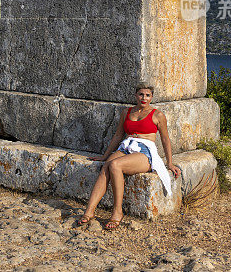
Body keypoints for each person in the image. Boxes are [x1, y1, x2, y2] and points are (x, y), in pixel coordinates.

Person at [77, 84, 181, 231]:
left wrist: (170, 163)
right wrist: (105, 156)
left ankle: (117, 211)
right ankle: (89, 211)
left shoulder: (158, 115)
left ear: (151, 97)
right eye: (141, 94)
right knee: (107, 165)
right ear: (135, 95)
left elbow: (165, 139)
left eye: (147, 95)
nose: (144, 98)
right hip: (126, 147)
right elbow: (119, 135)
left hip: (145, 152)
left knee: (115, 165)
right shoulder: (127, 112)